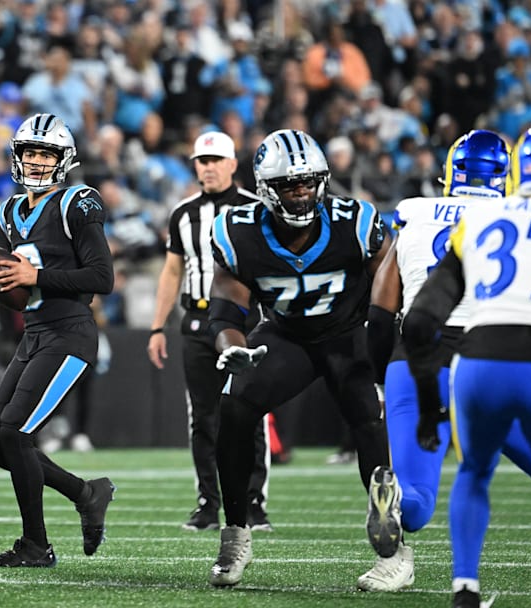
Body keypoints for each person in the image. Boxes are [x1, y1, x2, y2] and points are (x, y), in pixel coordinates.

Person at [402, 121, 531, 608]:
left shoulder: (482, 217)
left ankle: (465, 589)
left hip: (476, 364)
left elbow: (419, 320)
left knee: (473, 473)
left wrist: (429, 405)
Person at [362, 129, 531, 592]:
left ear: (451, 173)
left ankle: (396, 504)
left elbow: (380, 310)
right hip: (494, 363)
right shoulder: (522, 215)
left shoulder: (414, 214)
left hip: (415, 363)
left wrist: (380, 379)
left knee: (419, 501)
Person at [206, 128, 391, 586]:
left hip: (349, 334)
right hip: (286, 334)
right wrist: (233, 348)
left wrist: (387, 335)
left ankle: (393, 550)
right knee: (234, 406)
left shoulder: (356, 220)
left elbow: (390, 278)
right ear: (267, 188)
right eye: (289, 184)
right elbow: (226, 309)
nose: (301, 192)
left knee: (369, 418)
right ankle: (235, 535)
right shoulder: (239, 231)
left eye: (308, 181)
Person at [0, 113, 114, 568]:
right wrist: (4, 286)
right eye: (29, 153)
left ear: (64, 159)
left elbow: (101, 277)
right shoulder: (10, 210)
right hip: (34, 333)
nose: (36, 161)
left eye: (45, 153)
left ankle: (36, 545)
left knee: (16, 434)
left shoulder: (79, 201)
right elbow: (25, 290)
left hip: (71, 332)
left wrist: (34, 275)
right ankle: (86, 492)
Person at [146, 130, 272, 532]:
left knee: (249, 411)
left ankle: (253, 502)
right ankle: (208, 502)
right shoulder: (183, 213)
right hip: (197, 320)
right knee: (203, 416)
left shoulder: (256, 208)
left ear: (234, 164)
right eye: (203, 160)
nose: (209, 167)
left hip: (243, 320)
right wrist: (156, 326)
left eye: (217, 160)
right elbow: (172, 270)